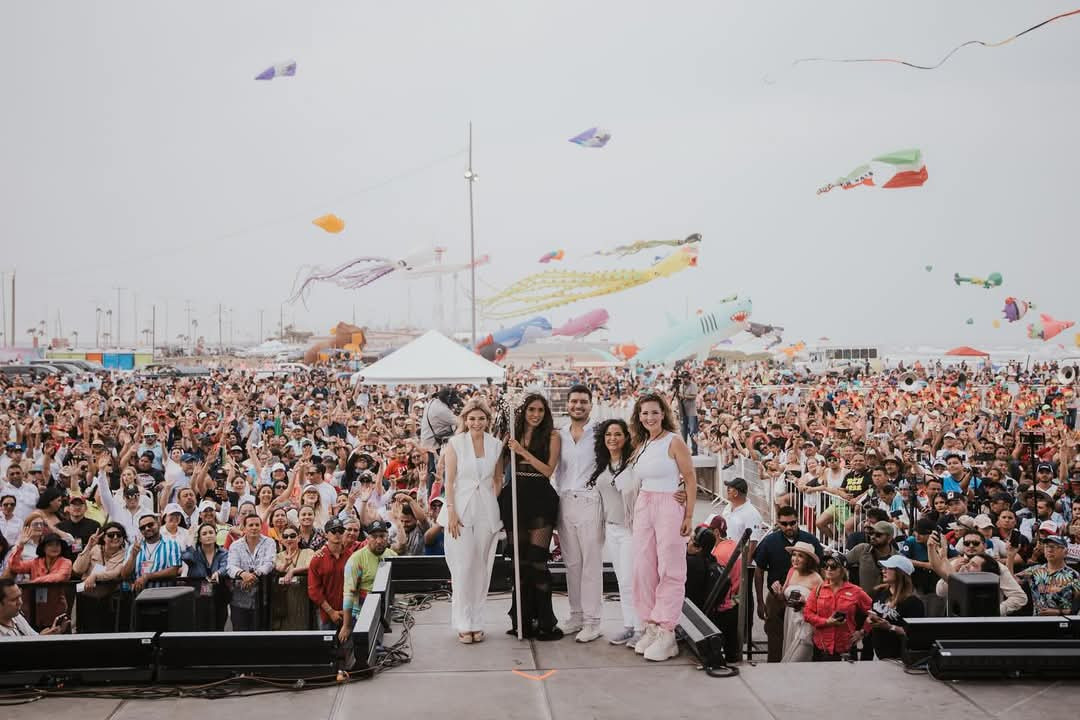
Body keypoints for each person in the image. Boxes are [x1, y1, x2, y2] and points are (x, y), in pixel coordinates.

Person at [629, 393, 696, 662]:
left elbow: (690, 478)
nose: (649, 418)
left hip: (669, 504)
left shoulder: (674, 441)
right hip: (645, 503)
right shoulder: (641, 444)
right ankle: (650, 625)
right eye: (644, 413)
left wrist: (689, 514)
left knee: (671, 568)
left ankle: (667, 630)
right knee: (643, 568)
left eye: (654, 412)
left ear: (663, 414)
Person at [442, 398, 505, 643]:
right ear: (465, 420)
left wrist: (490, 500)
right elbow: (449, 481)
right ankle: (463, 622)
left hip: (486, 512)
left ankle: (477, 622)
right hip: (460, 510)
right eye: (472, 418)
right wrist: (452, 512)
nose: (476, 422)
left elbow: (498, 479)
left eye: (481, 418)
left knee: (482, 567)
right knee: (463, 566)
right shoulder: (455, 443)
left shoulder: (496, 444)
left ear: (487, 421)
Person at [501, 393, 561, 641]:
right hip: (514, 497)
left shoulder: (552, 436)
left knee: (537, 561)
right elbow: (497, 465)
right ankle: (522, 621)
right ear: (523, 412)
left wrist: (522, 452)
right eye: (531, 410)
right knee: (520, 563)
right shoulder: (510, 435)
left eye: (540, 410)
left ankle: (545, 621)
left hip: (540, 498)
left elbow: (548, 470)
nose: (536, 415)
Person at [553, 384, 604, 642]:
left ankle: (593, 621)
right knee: (572, 563)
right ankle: (576, 615)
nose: (578, 406)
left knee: (591, 564)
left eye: (583, 402)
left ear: (590, 405)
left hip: (590, 501)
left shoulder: (599, 433)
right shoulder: (559, 434)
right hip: (565, 501)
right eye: (574, 402)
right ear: (568, 404)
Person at [590, 419, 642, 646]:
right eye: (609, 434)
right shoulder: (602, 465)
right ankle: (629, 626)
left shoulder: (633, 464)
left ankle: (641, 627)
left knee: (632, 580)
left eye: (617, 434)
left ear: (625, 437)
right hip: (611, 529)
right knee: (622, 580)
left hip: (630, 530)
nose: (613, 438)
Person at [754, 505, 824, 662]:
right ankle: (775, 671)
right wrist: (759, 601)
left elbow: (822, 568)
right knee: (775, 637)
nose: (789, 527)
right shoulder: (769, 541)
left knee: (803, 642)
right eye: (784, 524)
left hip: (806, 601)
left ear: (797, 521)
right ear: (778, 523)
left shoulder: (810, 540)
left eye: (793, 523)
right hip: (777, 598)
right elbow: (758, 571)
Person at [803, 555, 871, 661]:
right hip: (822, 649)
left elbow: (874, 612)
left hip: (845, 650)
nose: (829, 569)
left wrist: (862, 632)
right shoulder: (818, 590)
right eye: (826, 566)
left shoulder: (856, 591)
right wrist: (826, 622)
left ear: (843, 570)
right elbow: (807, 614)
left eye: (833, 566)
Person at [340, 520, 397, 645]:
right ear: (367, 538)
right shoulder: (356, 560)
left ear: (387, 536)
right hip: (361, 614)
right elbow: (348, 594)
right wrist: (347, 626)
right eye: (374, 537)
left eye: (382, 536)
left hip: (386, 612)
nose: (379, 541)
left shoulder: (392, 556)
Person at [225, 513, 276, 630]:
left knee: (261, 634)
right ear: (244, 528)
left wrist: (253, 575)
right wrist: (243, 574)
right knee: (240, 633)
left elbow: (269, 563)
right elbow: (231, 567)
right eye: (251, 525)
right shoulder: (235, 545)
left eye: (257, 525)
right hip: (239, 599)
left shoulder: (269, 543)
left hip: (262, 598)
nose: (254, 527)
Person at [868, 555, 924, 659]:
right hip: (877, 653)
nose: (883, 571)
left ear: (900, 573)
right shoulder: (880, 592)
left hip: (898, 657)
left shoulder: (913, 602)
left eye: (888, 568)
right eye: (883, 568)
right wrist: (871, 618)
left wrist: (890, 627)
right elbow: (873, 611)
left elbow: (913, 634)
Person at [307, 517, 354, 632]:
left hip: (349, 611)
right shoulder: (317, 559)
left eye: (340, 531)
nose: (337, 534)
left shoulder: (351, 556)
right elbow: (313, 590)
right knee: (326, 647)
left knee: (349, 647)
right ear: (326, 535)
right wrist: (331, 612)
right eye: (333, 531)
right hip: (326, 614)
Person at [181, 522, 230, 631]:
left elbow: (225, 566)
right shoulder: (194, 553)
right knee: (201, 628)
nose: (208, 535)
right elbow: (186, 557)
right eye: (204, 533)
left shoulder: (223, 552)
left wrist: (218, 573)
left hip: (219, 596)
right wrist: (190, 542)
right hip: (199, 598)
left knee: (219, 627)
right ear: (199, 538)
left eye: (211, 532)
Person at [1015, 534, 1080, 615]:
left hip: (1064, 623)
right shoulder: (1034, 570)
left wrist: (1058, 612)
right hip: (1038, 623)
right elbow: (1011, 581)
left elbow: (1077, 609)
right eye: (1046, 546)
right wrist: (1010, 557)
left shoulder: (1074, 575)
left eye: (1054, 547)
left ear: (1065, 552)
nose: (1049, 550)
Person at [779, 541, 821, 662]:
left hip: (805, 625)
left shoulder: (816, 578)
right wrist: (778, 592)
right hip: (790, 620)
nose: (795, 559)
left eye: (800, 556)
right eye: (794, 554)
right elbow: (784, 597)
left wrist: (805, 603)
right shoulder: (792, 571)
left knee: (795, 662)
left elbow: (823, 606)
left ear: (808, 560)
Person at [123, 512, 182, 594]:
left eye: (150, 525)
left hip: (164, 596)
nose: (147, 528)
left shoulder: (172, 545)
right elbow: (124, 575)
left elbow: (173, 571)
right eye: (142, 528)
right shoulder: (134, 547)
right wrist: (133, 556)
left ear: (158, 524)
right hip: (139, 597)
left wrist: (147, 576)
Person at [271, 524, 315, 630]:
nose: (289, 539)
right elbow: (279, 568)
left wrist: (293, 571)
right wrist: (286, 564)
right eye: (285, 536)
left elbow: (310, 566)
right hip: (284, 600)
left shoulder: (308, 552)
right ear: (281, 540)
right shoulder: (278, 556)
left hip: (303, 598)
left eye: (292, 535)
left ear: (299, 538)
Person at [0, 577, 70, 637]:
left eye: (20, 597)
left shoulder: (16, 617)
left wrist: (49, 635)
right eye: (14, 600)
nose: (20, 602)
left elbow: (33, 639)